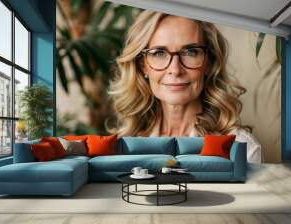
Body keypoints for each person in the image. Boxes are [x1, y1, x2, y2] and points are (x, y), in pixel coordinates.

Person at [107, 10, 262, 163]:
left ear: (209, 62)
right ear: (143, 66)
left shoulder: (241, 148)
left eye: (191, 52)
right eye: (159, 53)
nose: (175, 70)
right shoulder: (122, 146)